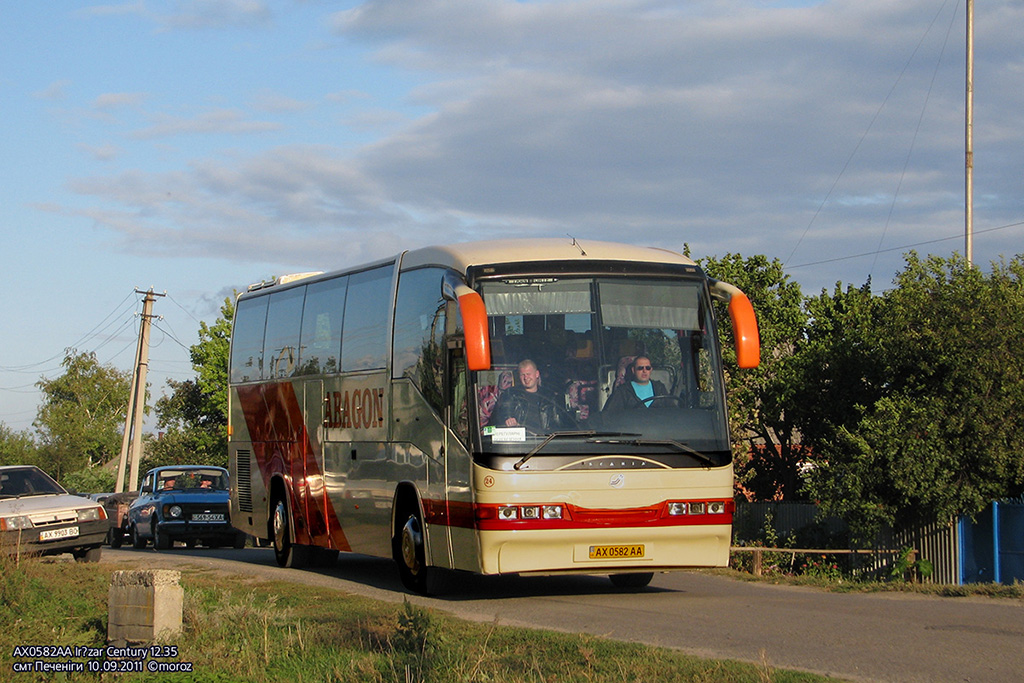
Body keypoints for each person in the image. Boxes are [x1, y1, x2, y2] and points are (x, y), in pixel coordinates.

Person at [488, 359, 571, 433]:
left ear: (537, 374)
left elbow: (559, 423)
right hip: (521, 444)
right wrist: (508, 419)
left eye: (528, 374)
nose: (526, 378)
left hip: (545, 443)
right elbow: (501, 414)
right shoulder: (510, 394)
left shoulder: (549, 397)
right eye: (522, 375)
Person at [603, 356, 668, 412]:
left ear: (651, 370)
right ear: (633, 370)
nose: (644, 371)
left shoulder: (660, 388)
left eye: (647, 368)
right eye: (640, 368)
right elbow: (608, 415)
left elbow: (672, 411)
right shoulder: (623, 391)